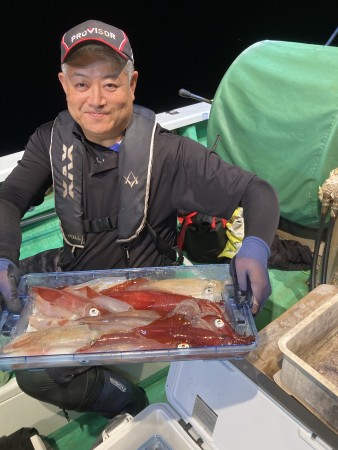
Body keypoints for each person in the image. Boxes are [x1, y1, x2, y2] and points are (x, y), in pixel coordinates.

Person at [0, 19, 280, 420]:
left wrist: (255, 246)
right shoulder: (50, 140)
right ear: (64, 85)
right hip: (76, 279)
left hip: (144, 286)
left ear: (133, 83)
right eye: (81, 84)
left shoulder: (169, 153)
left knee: (35, 377)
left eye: (111, 84)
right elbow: (8, 197)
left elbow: (258, 192)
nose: (95, 99)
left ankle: (126, 400)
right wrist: (4, 254)